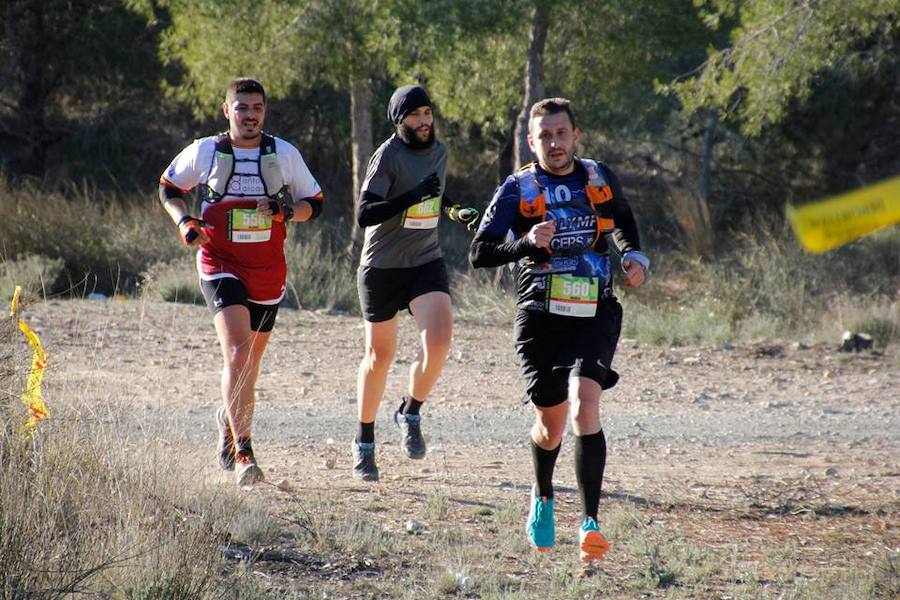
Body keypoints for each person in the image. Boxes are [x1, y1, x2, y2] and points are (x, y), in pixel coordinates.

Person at [469, 98, 648, 561]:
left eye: (561, 133)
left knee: (585, 407)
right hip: (541, 316)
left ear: (575, 135)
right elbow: (480, 252)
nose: (554, 143)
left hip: (596, 309)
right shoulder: (518, 187)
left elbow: (624, 221)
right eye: (544, 136)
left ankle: (591, 522)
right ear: (532, 142)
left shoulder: (597, 177)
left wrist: (633, 256)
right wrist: (525, 243)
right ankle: (543, 494)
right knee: (550, 425)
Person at [158, 78, 324, 487]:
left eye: (257, 108)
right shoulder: (206, 151)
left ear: (264, 112)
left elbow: (314, 204)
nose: (250, 115)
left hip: (268, 269)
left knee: (250, 363)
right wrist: (185, 222)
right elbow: (168, 188)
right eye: (242, 107)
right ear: (226, 110)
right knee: (237, 350)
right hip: (219, 262)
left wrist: (285, 211)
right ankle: (245, 451)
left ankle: (228, 422)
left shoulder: (283, 153)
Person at [352, 84, 479, 482]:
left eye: (428, 113)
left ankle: (410, 410)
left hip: (425, 260)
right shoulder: (386, 156)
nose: (424, 121)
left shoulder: (439, 152)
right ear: (398, 120)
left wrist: (456, 210)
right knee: (380, 357)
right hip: (382, 267)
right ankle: (364, 441)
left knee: (439, 342)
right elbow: (365, 213)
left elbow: (436, 196)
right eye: (415, 115)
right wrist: (412, 196)